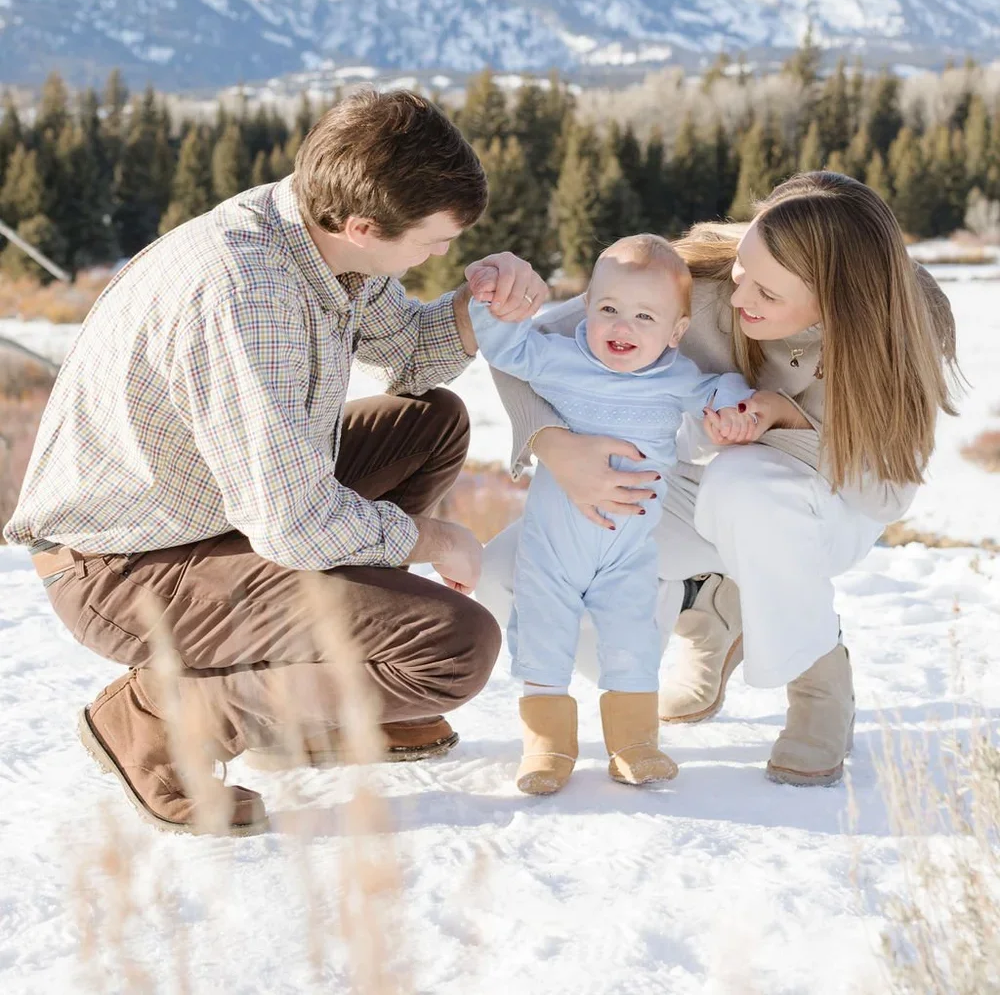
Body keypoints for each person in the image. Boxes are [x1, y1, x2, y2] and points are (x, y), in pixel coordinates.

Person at [4, 89, 548, 836]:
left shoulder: (313, 228)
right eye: (430, 243)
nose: (439, 255)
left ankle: (332, 695)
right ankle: (160, 718)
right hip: (125, 569)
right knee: (455, 649)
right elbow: (294, 523)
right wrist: (429, 539)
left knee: (431, 423)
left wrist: (478, 302)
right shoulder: (247, 292)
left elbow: (412, 357)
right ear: (363, 226)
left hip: (214, 514)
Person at [478, 172, 957, 787]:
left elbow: (884, 493)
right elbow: (531, 347)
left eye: (766, 293)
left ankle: (818, 678)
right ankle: (705, 605)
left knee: (744, 480)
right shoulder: (694, 283)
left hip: (823, 513)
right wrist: (556, 445)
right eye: (741, 271)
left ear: (836, 299)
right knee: (504, 580)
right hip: (691, 495)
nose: (737, 298)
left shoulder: (905, 328)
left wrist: (786, 421)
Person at [468, 234, 765, 795]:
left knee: (632, 643)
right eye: (608, 309)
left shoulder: (677, 378)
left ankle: (635, 746)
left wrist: (732, 412)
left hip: (630, 553)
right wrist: (491, 303)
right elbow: (510, 351)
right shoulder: (560, 360)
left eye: (644, 316)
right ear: (586, 307)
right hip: (551, 552)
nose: (621, 327)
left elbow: (715, 396)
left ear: (676, 332)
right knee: (544, 642)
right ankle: (546, 748)